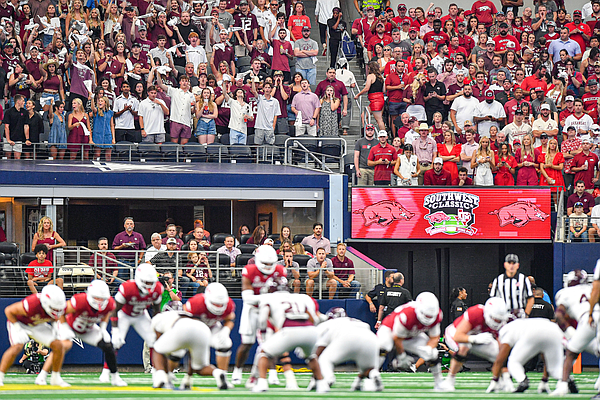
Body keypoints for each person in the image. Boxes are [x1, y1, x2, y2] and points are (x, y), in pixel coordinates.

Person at [45, 280, 126, 387]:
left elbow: (107, 313)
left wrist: (102, 328)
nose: (100, 301)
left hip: (88, 329)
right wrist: (64, 327)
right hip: (70, 326)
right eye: (97, 298)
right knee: (61, 347)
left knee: (108, 345)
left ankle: (115, 377)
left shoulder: (110, 303)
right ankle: (43, 375)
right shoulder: (80, 300)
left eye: (102, 298)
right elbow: (62, 311)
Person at [252, 283, 328, 393]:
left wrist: (263, 332)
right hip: (309, 330)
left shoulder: (269, 298)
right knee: (311, 357)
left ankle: (262, 383)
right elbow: (314, 318)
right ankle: (321, 384)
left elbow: (263, 319)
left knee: (263, 352)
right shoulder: (300, 297)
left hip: (289, 328)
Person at [231, 245, 286, 386]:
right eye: (265, 264)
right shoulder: (249, 270)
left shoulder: (280, 270)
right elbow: (247, 298)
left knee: (271, 343)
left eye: (270, 264)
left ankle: (273, 375)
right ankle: (237, 372)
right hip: (252, 309)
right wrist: (269, 298)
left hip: (270, 310)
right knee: (247, 343)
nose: (268, 267)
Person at [98, 264, 163, 383]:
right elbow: (114, 309)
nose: (149, 285)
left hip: (141, 314)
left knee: (154, 339)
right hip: (124, 315)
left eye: (151, 282)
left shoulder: (157, 288)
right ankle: (106, 372)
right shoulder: (127, 288)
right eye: (146, 282)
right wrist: (115, 330)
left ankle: (156, 369)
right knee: (116, 342)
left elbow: (157, 310)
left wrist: (156, 326)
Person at [0, 285, 68, 387]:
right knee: (17, 347)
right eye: (54, 307)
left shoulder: (56, 305)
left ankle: (53, 378)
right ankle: (0, 377)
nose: (56, 310)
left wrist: (55, 328)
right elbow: (9, 311)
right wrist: (18, 327)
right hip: (19, 322)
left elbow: (55, 316)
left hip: (37, 324)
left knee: (58, 345)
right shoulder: (32, 303)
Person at [438, 298, 509, 392]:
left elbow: (502, 351)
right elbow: (457, 336)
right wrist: (474, 339)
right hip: (455, 333)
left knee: (499, 353)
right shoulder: (476, 313)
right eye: (494, 318)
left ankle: (498, 381)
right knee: (464, 347)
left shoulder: (502, 322)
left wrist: (506, 377)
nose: (497, 321)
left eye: (499, 319)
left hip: (477, 336)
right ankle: (449, 380)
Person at [377, 292, 444, 390]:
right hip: (390, 331)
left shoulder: (437, 315)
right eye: (426, 315)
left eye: (430, 315)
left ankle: (439, 382)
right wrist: (402, 356)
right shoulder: (407, 314)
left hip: (412, 334)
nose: (428, 318)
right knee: (382, 346)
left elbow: (434, 338)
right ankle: (372, 377)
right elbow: (397, 338)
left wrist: (428, 349)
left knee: (433, 353)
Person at [150, 310, 231, 390]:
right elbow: (190, 353)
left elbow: (162, 351)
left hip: (181, 327)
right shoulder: (177, 315)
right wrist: (188, 377)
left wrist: (166, 373)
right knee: (200, 368)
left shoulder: (156, 321)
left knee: (157, 349)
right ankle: (218, 373)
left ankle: (161, 377)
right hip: (203, 328)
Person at [487, 318, 564, 393]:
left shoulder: (506, 331)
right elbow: (545, 357)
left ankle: (522, 380)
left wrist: (495, 379)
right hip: (554, 329)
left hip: (534, 332)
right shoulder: (518, 325)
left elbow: (500, 359)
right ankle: (565, 379)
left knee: (514, 362)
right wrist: (544, 380)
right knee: (555, 369)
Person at [315, 309, 382, 391]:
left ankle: (328, 378)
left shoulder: (330, 323)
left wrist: (314, 361)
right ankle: (374, 375)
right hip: (370, 338)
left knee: (324, 359)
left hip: (346, 338)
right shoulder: (357, 321)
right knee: (369, 367)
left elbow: (321, 347)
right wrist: (357, 381)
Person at [183, 283, 236, 372]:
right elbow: (184, 318)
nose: (218, 306)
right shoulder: (196, 303)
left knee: (225, 343)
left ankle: (223, 375)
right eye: (215, 303)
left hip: (212, 327)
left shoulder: (229, 304)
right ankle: (173, 374)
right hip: (194, 328)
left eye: (220, 304)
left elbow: (230, 319)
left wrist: (226, 330)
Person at [354, 61, 386, 131]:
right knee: (364, 115)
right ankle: (367, 131)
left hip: (375, 99)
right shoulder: (381, 77)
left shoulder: (370, 76)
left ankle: (383, 135)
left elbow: (366, 88)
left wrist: (358, 95)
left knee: (379, 120)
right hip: (379, 98)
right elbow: (384, 90)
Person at [3, 94, 27, 160]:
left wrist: (27, 139)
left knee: (17, 158)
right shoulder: (8, 112)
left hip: (19, 138)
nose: (24, 103)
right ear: (18, 101)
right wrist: (8, 140)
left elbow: (26, 126)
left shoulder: (25, 112)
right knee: (8, 156)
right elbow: (6, 127)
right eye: (23, 101)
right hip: (8, 137)